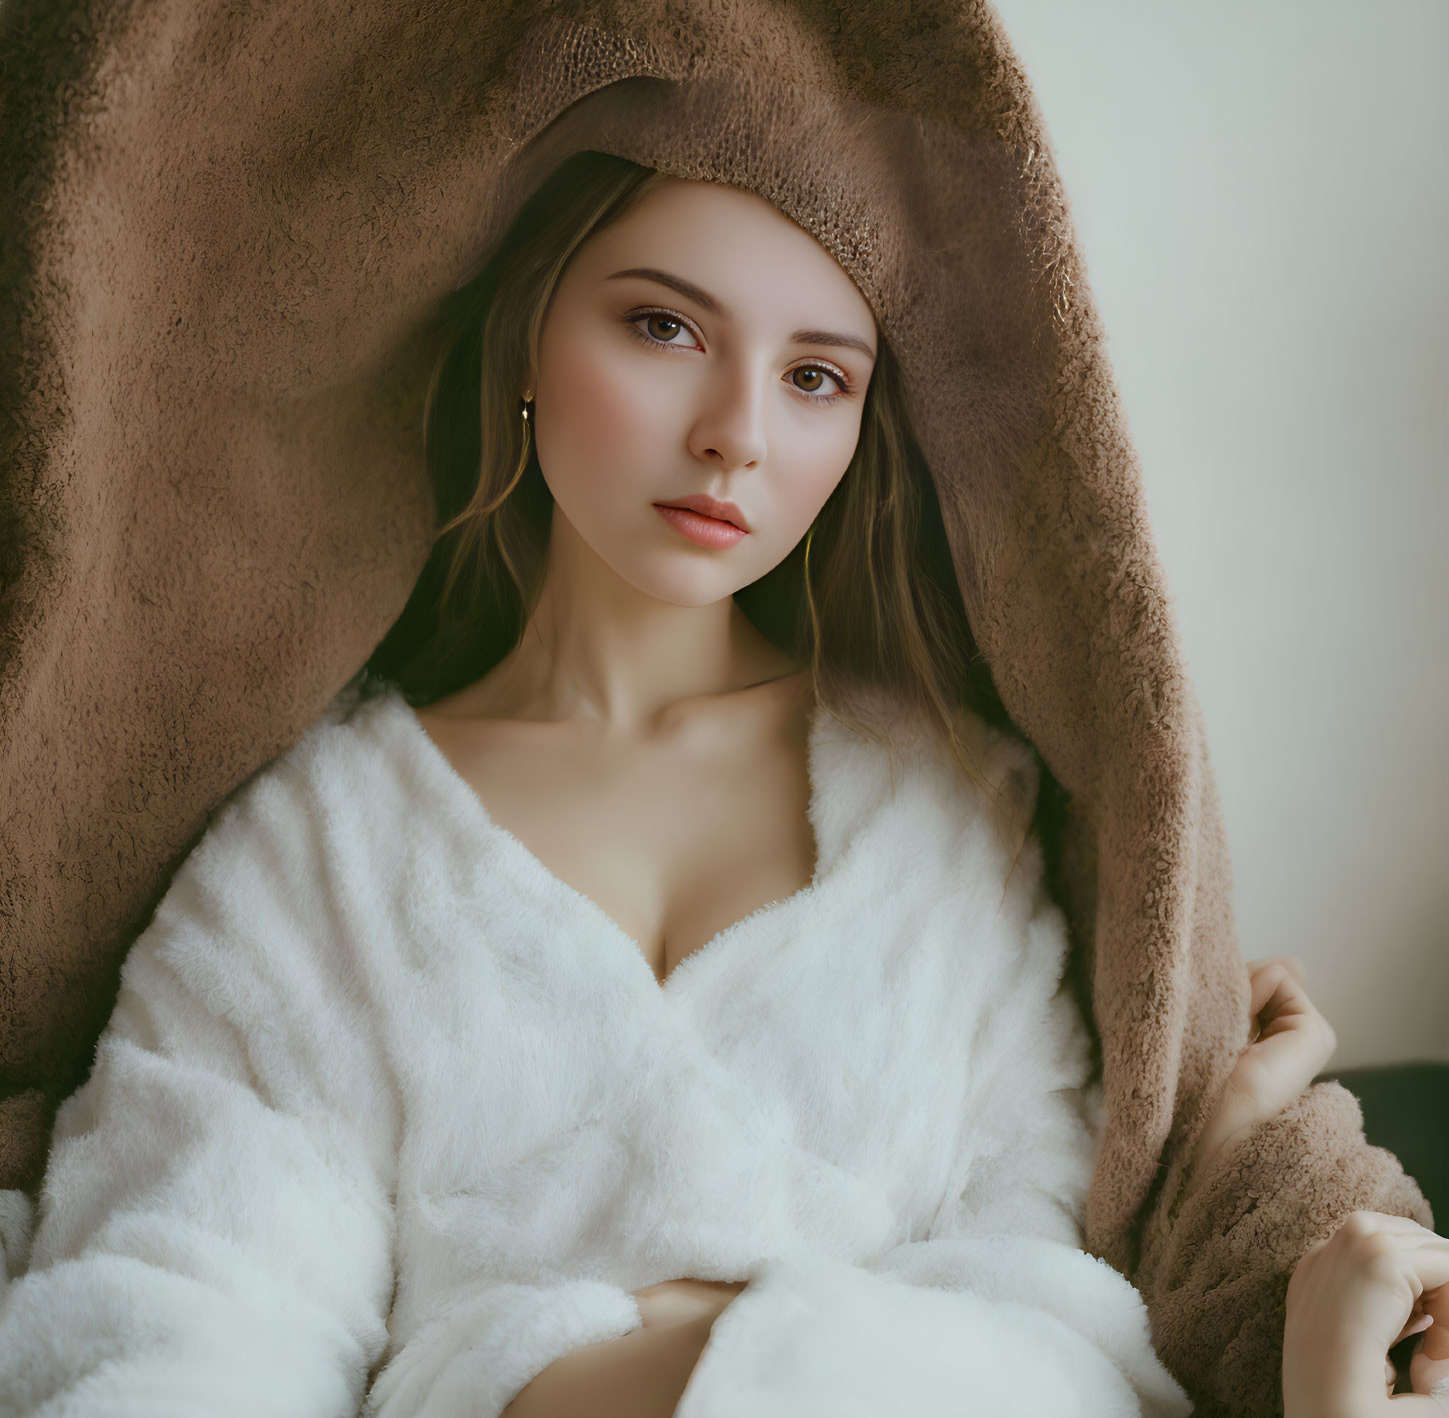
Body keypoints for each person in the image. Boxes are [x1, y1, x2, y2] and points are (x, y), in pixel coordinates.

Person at [0, 152, 1440, 1418]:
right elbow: (181, 1321)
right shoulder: (315, 853)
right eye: (663, 326)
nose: (737, 433)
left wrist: (728, 1351)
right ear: (525, 335)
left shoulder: (958, 810)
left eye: (816, 376)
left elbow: (1048, 1306)